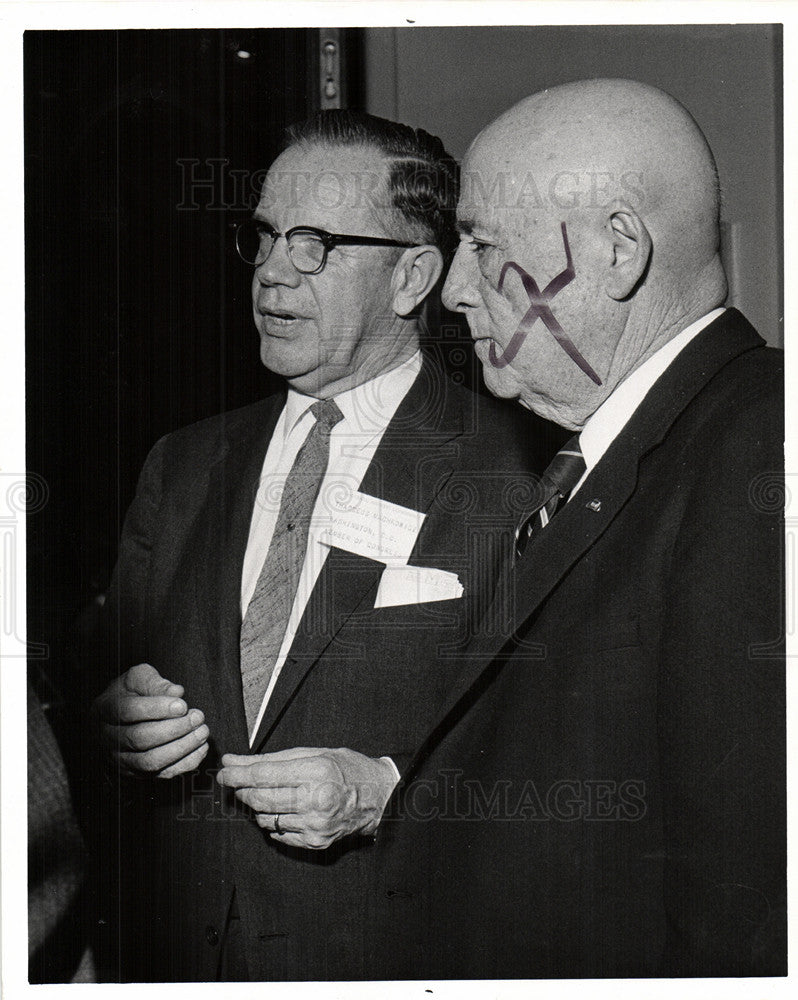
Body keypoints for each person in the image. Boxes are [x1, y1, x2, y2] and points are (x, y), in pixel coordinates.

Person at [91, 110, 552, 981]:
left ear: (413, 276)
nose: (270, 272)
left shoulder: (521, 471)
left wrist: (385, 792)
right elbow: (103, 689)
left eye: (314, 244)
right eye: (265, 237)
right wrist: (114, 720)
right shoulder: (183, 464)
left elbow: (563, 753)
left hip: (384, 958)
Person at [365, 79, 785, 979]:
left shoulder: (762, 444)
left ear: (618, 248)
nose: (454, 292)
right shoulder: (604, 455)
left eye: (481, 245)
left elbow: (749, 909)